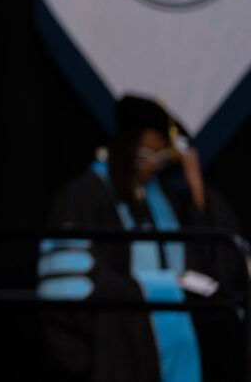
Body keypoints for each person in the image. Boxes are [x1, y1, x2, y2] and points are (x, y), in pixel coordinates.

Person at [38, 95, 248, 382]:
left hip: (167, 347)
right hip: (117, 346)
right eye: (144, 154)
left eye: (160, 157)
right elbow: (67, 284)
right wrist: (155, 286)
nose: (150, 166)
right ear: (124, 147)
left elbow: (212, 266)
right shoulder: (84, 195)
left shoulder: (163, 201)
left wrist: (196, 185)